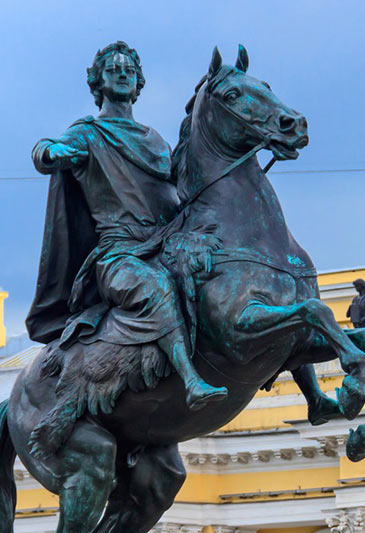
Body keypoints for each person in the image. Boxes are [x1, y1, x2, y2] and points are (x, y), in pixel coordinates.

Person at [25, 41, 227, 410]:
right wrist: (51, 152)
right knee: (156, 287)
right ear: (98, 82)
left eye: (129, 70)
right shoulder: (88, 133)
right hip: (119, 255)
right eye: (113, 69)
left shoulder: (157, 140)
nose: (122, 73)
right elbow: (44, 149)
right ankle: (191, 380)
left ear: (138, 84)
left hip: (165, 244)